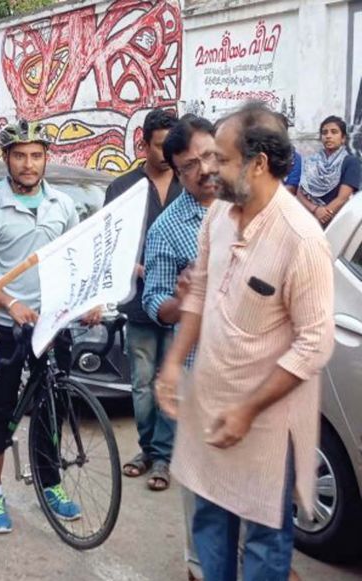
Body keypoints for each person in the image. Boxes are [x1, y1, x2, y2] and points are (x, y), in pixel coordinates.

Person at [156, 102, 335, 581]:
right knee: (210, 521)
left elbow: (315, 344)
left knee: (262, 542)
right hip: (212, 404)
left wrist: (249, 410)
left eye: (222, 159)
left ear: (258, 164)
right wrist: (173, 364)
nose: (209, 169)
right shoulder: (218, 216)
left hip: (265, 425)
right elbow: (197, 295)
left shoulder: (302, 239)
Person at [0, 119, 101, 534]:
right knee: (0, 407)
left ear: (45, 158)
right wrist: (10, 303)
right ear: (6, 159)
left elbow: (76, 261)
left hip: (53, 323)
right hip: (7, 325)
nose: (28, 164)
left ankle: (50, 483)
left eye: (36, 155)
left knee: (52, 407)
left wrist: (89, 299)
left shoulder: (63, 205)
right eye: (20, 155)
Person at [142, 114, 218, 581]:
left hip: (255, 367)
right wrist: (180, 299)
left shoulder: (250, 202)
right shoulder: (167, 230)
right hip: (199, 369)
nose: (205, 169)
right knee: (201, 486)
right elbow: (154, 303)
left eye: (210, 155)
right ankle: (199, 568)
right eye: (190, 165)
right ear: (175, 169)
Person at [104, 108, 181, 491]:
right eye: (161, 146)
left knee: (172, 381)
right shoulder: (122, 188)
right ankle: (148, 449)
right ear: (143, 144)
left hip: (182, 307)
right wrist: (134, 267)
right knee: (142, 383)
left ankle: (164, 457)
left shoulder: (190, 185)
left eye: (173, 146)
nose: (168, 155)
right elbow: (109, 242)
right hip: (138, 303)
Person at [296, 115, 362, 226]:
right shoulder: (311, 161)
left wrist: (323, 215)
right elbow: (300, 192)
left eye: (334, 132)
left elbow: (342, 198)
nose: (328, 136)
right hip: (310, 219)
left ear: (343, 138)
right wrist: (316, 210)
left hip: (337, 222)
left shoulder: (351, 162)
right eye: (324, 132)